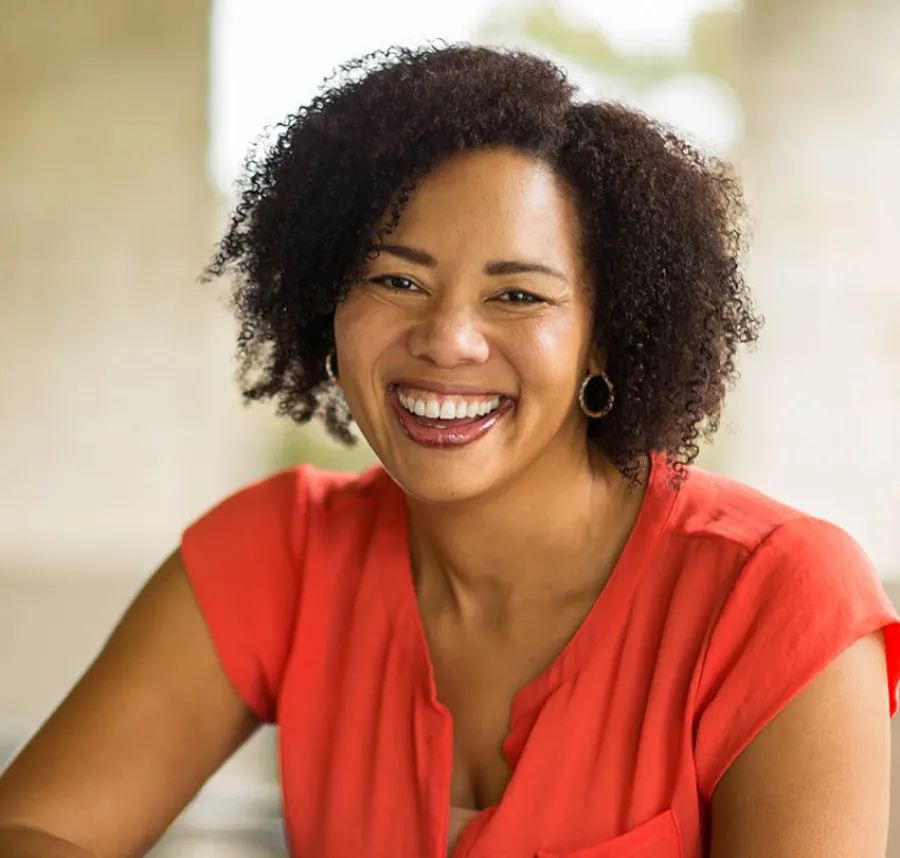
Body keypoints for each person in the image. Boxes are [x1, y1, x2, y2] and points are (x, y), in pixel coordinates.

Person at [0, 43, 897, 858]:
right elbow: (33, 827)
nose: (447, 339)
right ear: (327, 304)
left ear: (604, 338)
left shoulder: (776, 600)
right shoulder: (283, 555)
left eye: (517, 296)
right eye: (397, 280)